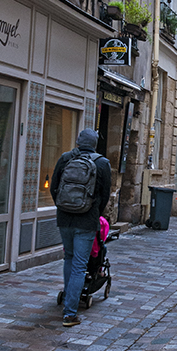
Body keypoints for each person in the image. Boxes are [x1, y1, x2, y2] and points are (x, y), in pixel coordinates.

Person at [51, 129, 111, 327]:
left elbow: (54, 187)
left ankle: (69, 299)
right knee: (79, 265)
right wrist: (94, 212)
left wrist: (64, 208)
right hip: (86, 220)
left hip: (65, 218)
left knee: (69, 258)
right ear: (94, 144)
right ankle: (70, 313)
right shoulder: (102, 163)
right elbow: (105, 194)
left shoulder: (65, 158)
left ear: (78, 141)